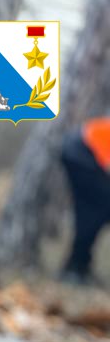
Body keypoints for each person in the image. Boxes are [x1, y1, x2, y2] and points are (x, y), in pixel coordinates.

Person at [60, 117, 110, 285]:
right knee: (97, 210)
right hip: (81, 151)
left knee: (95, 211)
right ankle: (75, 268)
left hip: (80, 150)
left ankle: (78, 266)